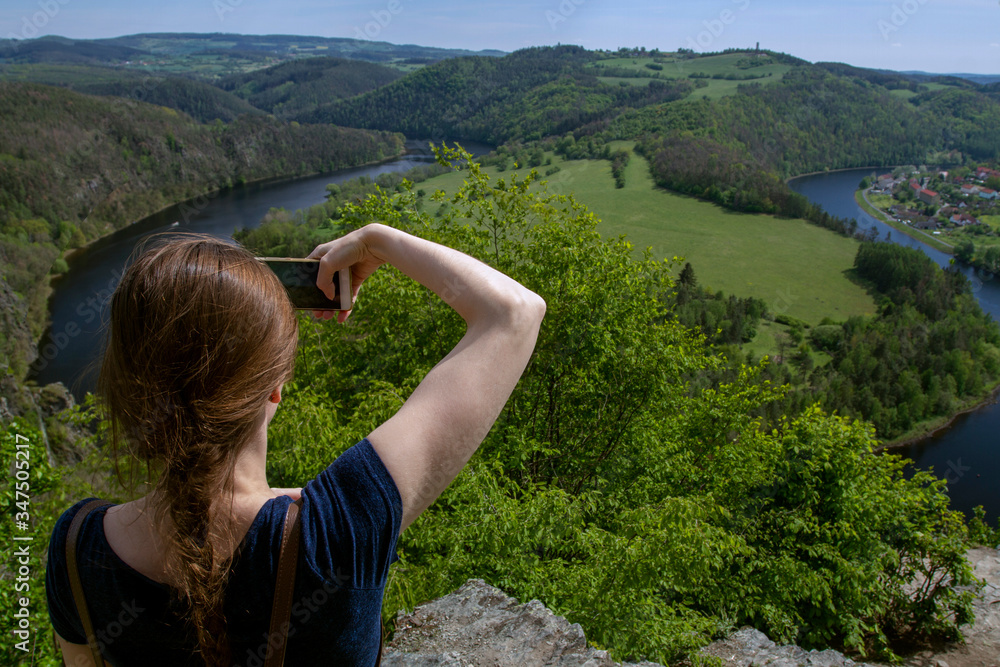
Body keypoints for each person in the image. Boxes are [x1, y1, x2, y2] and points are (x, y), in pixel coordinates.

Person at [45, 223, 546, 666]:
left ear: (127, 389)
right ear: (275, 387)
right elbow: (514, 313)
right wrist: (378, 240)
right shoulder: (337, 527)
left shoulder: (75, 549)